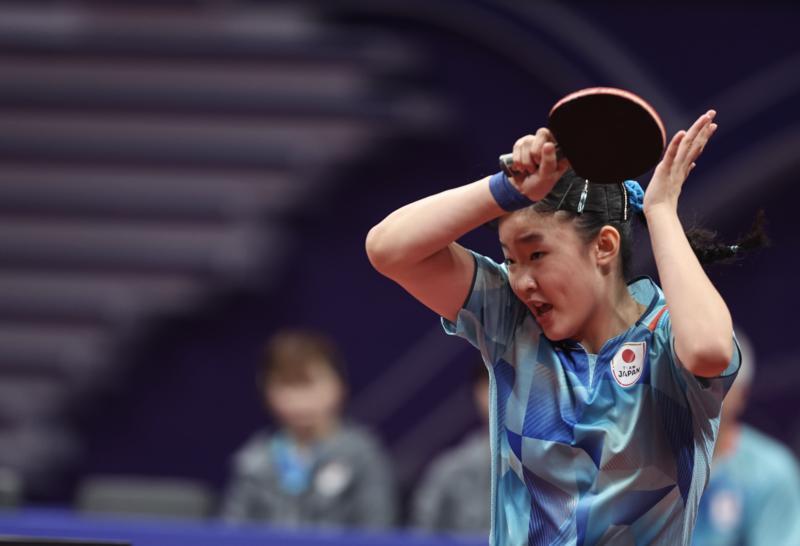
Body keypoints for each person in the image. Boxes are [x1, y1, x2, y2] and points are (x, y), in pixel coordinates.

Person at [366, 110, 761, 544]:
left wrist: (661, 211)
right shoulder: (510, 319)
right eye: (510, 260)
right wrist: (506, 189)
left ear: (604, 246)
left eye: (536, 255)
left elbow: (709, 351)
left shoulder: (666, 337)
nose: (522, 280)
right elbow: (388, 249)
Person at [220, 329, 396, 529]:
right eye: (287, 385)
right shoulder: (252, 461)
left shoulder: (363, 454)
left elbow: (377, 530)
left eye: (309, 383)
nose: (300, 399)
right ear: (266, 389)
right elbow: (231, 532)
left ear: (339, 384)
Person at [693, 330, 800, 545]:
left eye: (719, 380)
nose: (704, 389)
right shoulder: (646, 458)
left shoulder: (771, 471)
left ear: (742, 394)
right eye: (696, 377)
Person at [411, 362, 491, 535]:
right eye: (493, 385)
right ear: (478, 392)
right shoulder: (449, 471)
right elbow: (422, 536)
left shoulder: (551, 470)